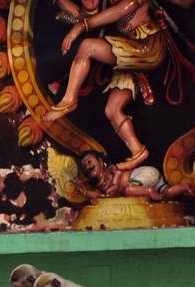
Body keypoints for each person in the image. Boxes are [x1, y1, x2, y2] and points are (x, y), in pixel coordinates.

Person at [43, 0, 166, 169]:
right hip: (130, 50)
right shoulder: (104, 4)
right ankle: (138, 150)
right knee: (112, 109)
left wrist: (80, 27)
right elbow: (82, 14)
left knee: (88, 47)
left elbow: (120, 10)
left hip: (146, 46)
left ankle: (69, 99)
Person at [79, 149, 195, 199]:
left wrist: (115, 185)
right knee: (166, 194)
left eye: (89, 162)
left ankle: (149, 192)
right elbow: (97, 196)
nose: (87, 166)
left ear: (100, 161)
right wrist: (84, 192)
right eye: (84, 166)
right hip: (149, 179)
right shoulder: (100, 186)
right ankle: (183, 188)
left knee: (127, 190)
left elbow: (119, 172)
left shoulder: (111, 169)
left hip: (144, 174)